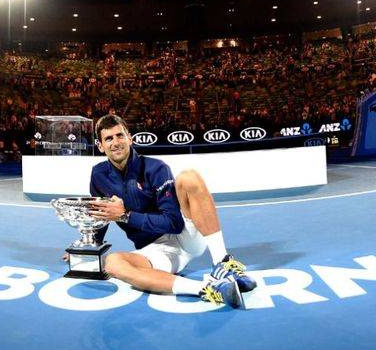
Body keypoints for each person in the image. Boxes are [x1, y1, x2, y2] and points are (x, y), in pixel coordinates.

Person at [86, 114, 257, 308]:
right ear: (100, 146)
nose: (116, 142)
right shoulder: (98, 174)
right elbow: (100, 212)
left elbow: (174, 224)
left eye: (120, 136)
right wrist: (91, 242)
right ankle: (208, 288)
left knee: (189, 177)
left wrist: (126, 215)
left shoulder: (156, 168)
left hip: (186, 235)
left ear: (130, 138)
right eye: (109, 138)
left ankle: (222, 263)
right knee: (112, 263)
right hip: (158, 252)